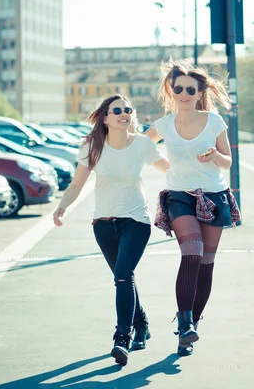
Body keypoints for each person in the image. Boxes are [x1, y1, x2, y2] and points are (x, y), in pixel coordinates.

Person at [53, 94, 169, 366]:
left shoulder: (141, 144)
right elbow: (76, 185)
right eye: (117, 110)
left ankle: (122, 338)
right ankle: (142, 324)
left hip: (136, 220)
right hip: (103, 224)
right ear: (105, 117)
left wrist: (198, 167)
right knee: (123, 277)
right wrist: (62, 207)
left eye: (128, 109)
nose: (124, 113)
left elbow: (169, 169)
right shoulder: (92, 147)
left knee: (122, 276)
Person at [145, 58, 241, 357]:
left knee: (206, 264)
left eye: (190, 89)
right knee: (192, 252)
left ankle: (192, 327)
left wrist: (213, 155)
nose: (184, 93)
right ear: (172, 91)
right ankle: (185, 322)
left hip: (213, 196)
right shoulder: (163, 125)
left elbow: (228, 162)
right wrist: (165, 168)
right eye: (179, 89)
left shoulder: (214, 121)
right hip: (179, 196)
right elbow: (140, 147)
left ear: (200, 92)